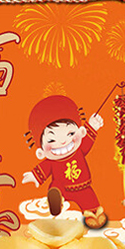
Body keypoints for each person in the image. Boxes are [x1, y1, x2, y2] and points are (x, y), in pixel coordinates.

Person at [21, 94, 107, 229]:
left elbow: (88, 140)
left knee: (90, 200)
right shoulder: (51, 161)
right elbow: (44, 168)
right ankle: (57, 199)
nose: (62, 141)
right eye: (51, 140)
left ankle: (94, 214)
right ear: (41, 151)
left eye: (70, 134)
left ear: (80, 132)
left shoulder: (79, 149)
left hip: (83, 187)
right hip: (61, 186)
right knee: (56, 189)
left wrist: (92, 126)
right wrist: (34, 175)